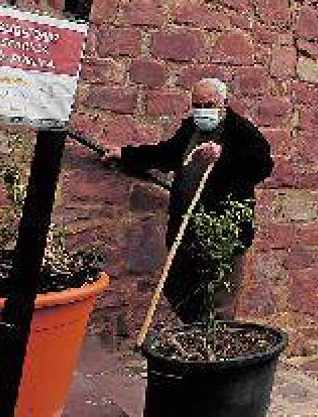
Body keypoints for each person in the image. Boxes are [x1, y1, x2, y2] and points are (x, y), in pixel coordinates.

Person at [103, 77, 273, 324]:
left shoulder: (242, 132)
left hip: (222, 231)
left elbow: (262, 166)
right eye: (197, 104)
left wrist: (223, 157)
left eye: (208, 103)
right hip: (186, 228)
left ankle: (215, 351)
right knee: (176, 286)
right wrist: (126, 154)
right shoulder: (190, 130)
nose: (202, 110)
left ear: (224, 103)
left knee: (219, 299)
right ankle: (197, 332)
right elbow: (166, 153)